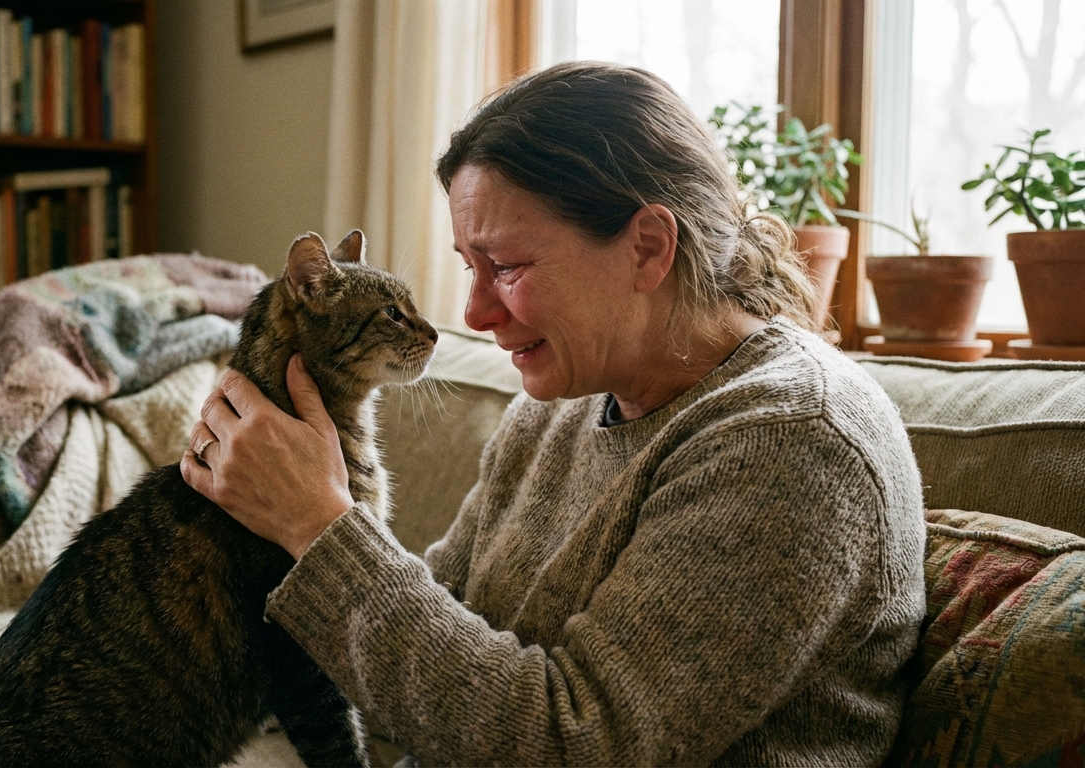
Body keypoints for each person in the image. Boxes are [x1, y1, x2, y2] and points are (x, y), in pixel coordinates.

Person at [181, 61, 926, 766]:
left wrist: (318, 526)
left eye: (504, 267)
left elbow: (572, 743)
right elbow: (416, 658)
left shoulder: (792, 441)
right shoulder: (557, 408)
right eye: (469, 268)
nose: (474, 312)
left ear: (648, 247)